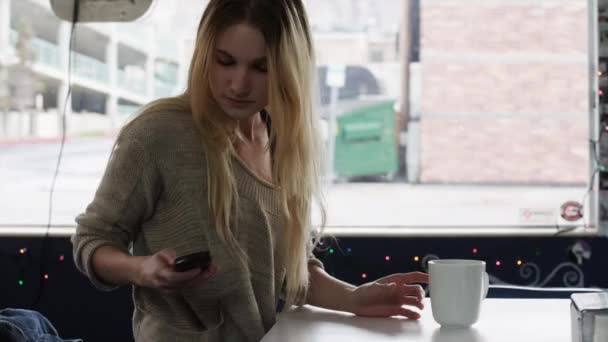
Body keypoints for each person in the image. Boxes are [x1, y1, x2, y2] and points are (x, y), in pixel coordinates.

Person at [71, 0, 429, 341]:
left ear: (290, 68)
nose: (239, 84)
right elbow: (92, 241)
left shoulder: (282, 140)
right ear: (204, 54)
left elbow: (289, 272)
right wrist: (143, 269)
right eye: (225, 61)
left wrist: (354, 298)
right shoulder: (156, 135)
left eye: (262, 68)